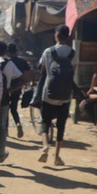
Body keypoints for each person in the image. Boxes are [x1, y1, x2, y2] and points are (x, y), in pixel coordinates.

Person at [37, 24, 78, 165]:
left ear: (56, 36)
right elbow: (73, 72)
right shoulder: (72, 53)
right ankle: (57, 157)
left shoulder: (48, 52)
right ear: (68, 36)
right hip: (65, 96)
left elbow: (42, 70)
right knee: (61, 125)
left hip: (48, 94)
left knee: (45, 121)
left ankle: (45, 146)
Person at [6, 43, 33, 138]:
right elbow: (29, 71)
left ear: (8, 52)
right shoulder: (22, 61)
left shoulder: (7, 62)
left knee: (5, 109)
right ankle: (18, 123)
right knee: (14, 109)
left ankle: (5, 130)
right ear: (16, 51)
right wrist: (30, 82)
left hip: (7, 88)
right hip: (17, 87)